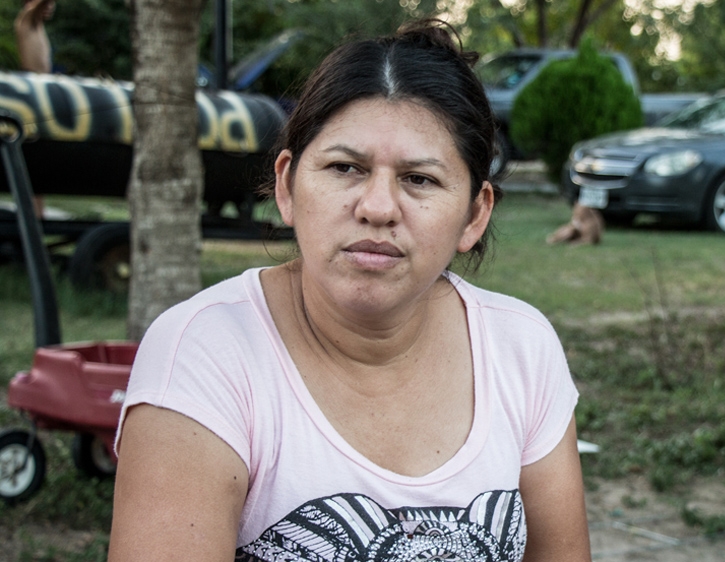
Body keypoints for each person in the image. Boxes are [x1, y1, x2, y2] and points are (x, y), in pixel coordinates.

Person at [108, 20, 591, 562]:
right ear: (288, 185)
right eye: (345, 168)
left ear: (475, 214)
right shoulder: (205, 353)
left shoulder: (521, 348)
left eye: (419, 179)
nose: (378, 207)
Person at [14, 0, 55, 218]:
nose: (50, 7)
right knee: (33, 154)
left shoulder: (39, 26)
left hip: (42, 90)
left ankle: (38, 214)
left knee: (42, 158)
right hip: (31, 88)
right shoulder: (27, 19)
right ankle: (33, 214)